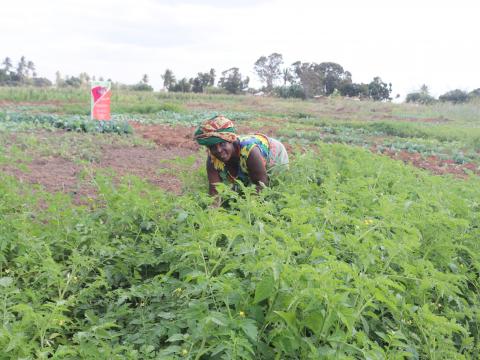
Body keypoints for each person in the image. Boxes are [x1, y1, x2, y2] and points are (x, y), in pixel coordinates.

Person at [194, 115, 289, 196]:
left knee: (275, 186)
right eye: (212, 147)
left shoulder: (250, 151)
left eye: (222, 144)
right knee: (241, 187)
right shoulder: (213, 158)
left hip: (274, 153)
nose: (218, 150)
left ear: (231, 140)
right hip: (244, 158)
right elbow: (214, 191)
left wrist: (245, 210)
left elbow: (261, 185)